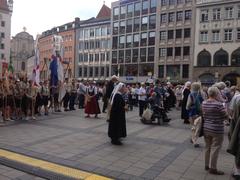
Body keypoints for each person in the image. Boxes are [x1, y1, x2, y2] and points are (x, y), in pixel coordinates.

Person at [202, 86, 228, 175]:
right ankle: (213, 168)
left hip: (206, 128)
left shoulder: (204, 103)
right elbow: (225, 116)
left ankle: (206, 165)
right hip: (217, 129)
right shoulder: (219, 104)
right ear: (217, 93)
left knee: (207, 147)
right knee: (215, 148)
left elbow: (204, 115)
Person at [186, 82, 204, 148]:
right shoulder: (201, 94)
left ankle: (194, 140)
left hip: (192, 112)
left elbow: (187, 106)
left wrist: (187, 108)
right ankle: (194, 139)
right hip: (199, 113)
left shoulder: (191, 94)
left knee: (193, 126)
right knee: (198, 127)